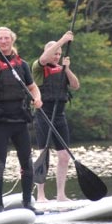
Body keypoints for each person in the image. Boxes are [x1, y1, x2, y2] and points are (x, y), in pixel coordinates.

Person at [0, 26, 44, 215]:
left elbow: (32, 87)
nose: (4, 41)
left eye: (6, 38)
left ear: (12, 40)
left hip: (20, 119)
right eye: (0, 39)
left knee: (27, 163)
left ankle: (27, 203)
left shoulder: (21, 64)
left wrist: (37, 98)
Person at [32, 31, 80, 202]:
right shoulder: (38, 67)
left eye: (59, 54)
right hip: (43, 114)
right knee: (43, 155)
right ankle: (41, 195)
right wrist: (63, 40)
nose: (57, 56)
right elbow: (44, 59)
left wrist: (67, 69)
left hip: (59, 115)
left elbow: (75, 85)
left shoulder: (62, 69)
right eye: (54, 53)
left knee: (64, 156)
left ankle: (61, 194)